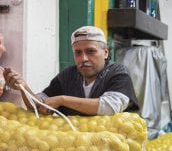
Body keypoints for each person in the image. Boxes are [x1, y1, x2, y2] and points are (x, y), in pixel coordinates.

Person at [3, 26, 139, 115]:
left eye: (91, 51)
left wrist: (62, 100)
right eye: (78, 53)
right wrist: (23, 88)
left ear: (105, 52)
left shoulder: (117, 73)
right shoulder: (68, 76)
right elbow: (39, 107)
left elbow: (110, 107)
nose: (83, 58)